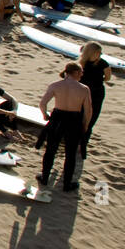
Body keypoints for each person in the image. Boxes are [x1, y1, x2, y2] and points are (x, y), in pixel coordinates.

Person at [38, 63, 92, 191]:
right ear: (77, 72)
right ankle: (67, 184)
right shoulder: (84, 89)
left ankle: (45, 177)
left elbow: (42, 103)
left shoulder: (55, 85)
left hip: (58, 118)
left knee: (51, 149)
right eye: (81, 72)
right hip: (74, 119)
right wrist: (85, 125)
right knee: (70, 153)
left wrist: (45, 115)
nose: (82, 75)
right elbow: (89, 110)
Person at [78, 41, 110, 162]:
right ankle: (76, 141)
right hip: (82, 93)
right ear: (92, 52)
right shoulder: (81, 63)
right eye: (99, 53)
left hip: (96, 94)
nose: (100, 55)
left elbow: (108, 77)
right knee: (78, 116)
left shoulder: (102, 63)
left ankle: (83, 144)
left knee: (91, 118)